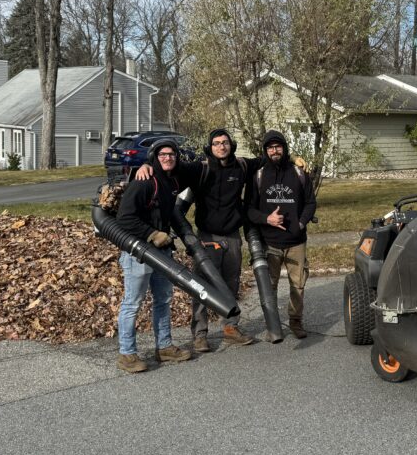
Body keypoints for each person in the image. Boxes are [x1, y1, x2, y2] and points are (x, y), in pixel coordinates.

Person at [137, 129, 258, 351]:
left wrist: (294, 161)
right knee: (202, 286)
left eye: (225, 143)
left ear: (231, 145)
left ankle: (230, 327)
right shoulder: (199, 169)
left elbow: (267, 161)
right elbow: (168, 166)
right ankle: (200, 334)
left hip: (232, 236)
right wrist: (145, 166)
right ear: (210, 147)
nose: (221, 147)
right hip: (207, 237)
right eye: (216, 143)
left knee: (231, 282)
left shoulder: (241, 166)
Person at [114, 138, 194, 373]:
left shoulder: (172, 181)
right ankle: (127, 354)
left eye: (171, 154)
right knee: (132, 303)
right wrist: (151, 234)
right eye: (162, 155)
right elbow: (124, 218)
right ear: (154, 158)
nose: (168, 158)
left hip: (162, 252)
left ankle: (165, 347)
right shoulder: (144, 181)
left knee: (163, 300)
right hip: (137, 253)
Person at [246, 130, 317, 339]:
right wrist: (267, 219)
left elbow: (311, 203)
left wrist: (301, 223)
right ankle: (273, 325)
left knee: (298, 285)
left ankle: (295, 322)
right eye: (270, 147)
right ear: (265, 151)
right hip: (270, 242)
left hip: (296, 242)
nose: (274, 150)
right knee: (271, 286)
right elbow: (249, 209)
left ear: (284, 148)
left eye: (278, 146)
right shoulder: (258, 175)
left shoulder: (298, 173)